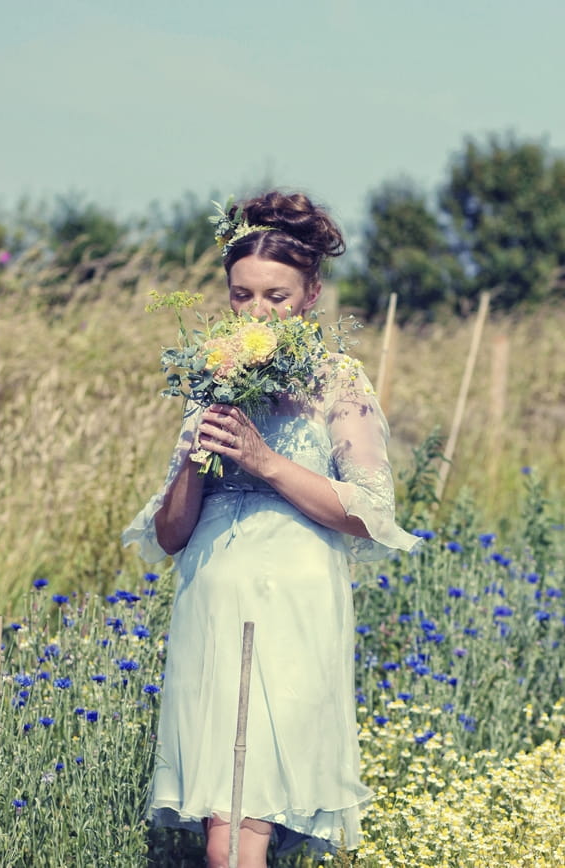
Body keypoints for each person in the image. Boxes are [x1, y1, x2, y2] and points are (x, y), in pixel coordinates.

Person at [122, 191, 419, 868]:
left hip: (293, 605)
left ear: (312, 292)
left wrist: (262, 460)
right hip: (211, 607)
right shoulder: (211, 382)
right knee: (223, 818)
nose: (257, 312)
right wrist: (198, 458)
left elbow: (370, 513)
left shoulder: (337, 380)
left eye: (276, 297)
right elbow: (170, 535)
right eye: (242, 295)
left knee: (246, 818)